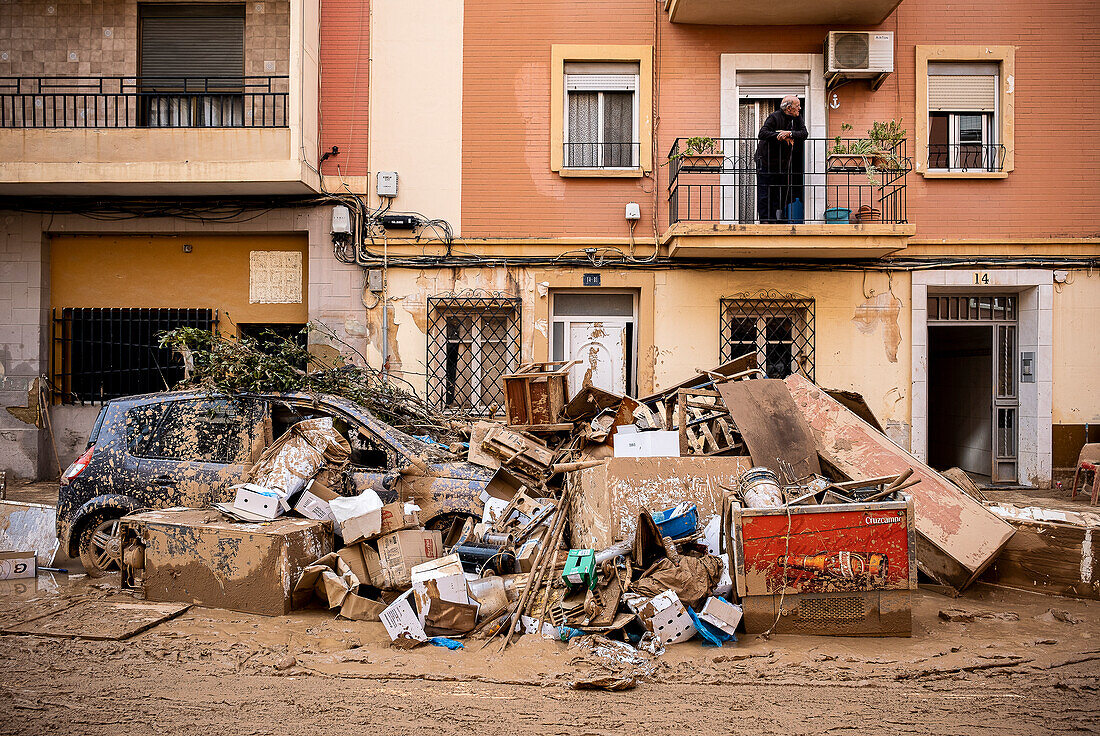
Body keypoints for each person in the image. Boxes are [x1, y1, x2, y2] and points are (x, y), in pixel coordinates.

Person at [754, 95, 808, 223]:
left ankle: (773, 218)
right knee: (764, 192)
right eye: (797, 106)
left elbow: (804, 134)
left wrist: (789, 133)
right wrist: (780, 134)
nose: (800, 108)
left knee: (777, 192)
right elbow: (762, 133)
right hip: (765, 160)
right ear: (789, 108)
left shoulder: (797, 118)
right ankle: (765, 220)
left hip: (781, 163)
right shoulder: (774, 117)